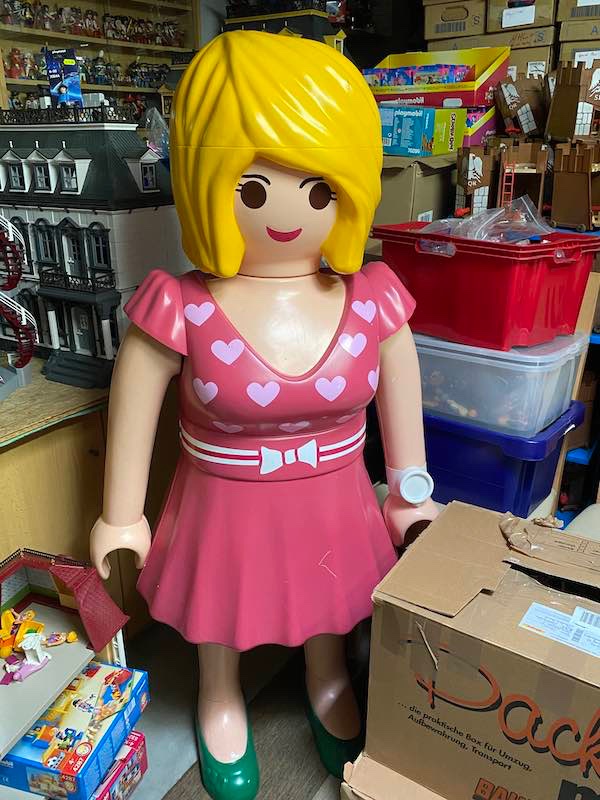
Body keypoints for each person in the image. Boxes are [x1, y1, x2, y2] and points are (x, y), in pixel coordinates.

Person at [90, 30, 437, 800]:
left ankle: (325, 680)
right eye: (252, 189)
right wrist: (121, 516)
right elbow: (133, 407)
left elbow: (402, 403)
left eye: (318, 190)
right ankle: (219, 695)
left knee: (330, 600)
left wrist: (410, 491)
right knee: (221, 609)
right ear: (206, 181)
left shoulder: (372, 299)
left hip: (335, 495)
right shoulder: (179, 306)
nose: (287, 213)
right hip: (223, 501)